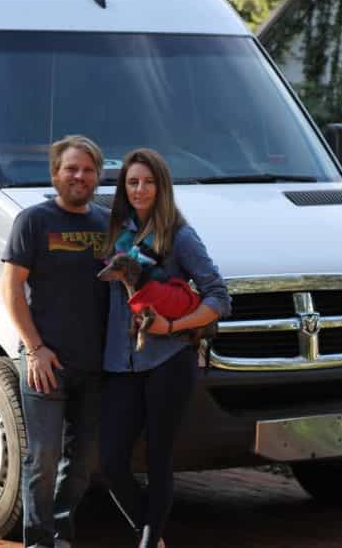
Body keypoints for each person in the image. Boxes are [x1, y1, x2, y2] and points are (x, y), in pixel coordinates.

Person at [100, 148, 231, 548]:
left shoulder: (180, 236)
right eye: (133, 182)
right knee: (111, 463)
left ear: (162, 186)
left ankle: (147, 539)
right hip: (120, 363)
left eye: (148, 182)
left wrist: (173, 324)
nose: (140, 189)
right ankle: (152, 535)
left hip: (168, 360)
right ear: (124, 187)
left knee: (159, 459)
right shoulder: (116, 235)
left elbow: (220, 298)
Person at [1, 135, 111, 548]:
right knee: (42, 458)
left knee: (82, 464)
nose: (79, 176)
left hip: (96, 365)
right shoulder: (33, 221)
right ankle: (38, 541)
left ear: (97, 176)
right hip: (45, 363)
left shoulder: (106, 224)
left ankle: (62, 533)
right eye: (71, 169)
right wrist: (35, 348)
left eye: (87, 170)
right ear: (55, 174)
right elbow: (11, 290)